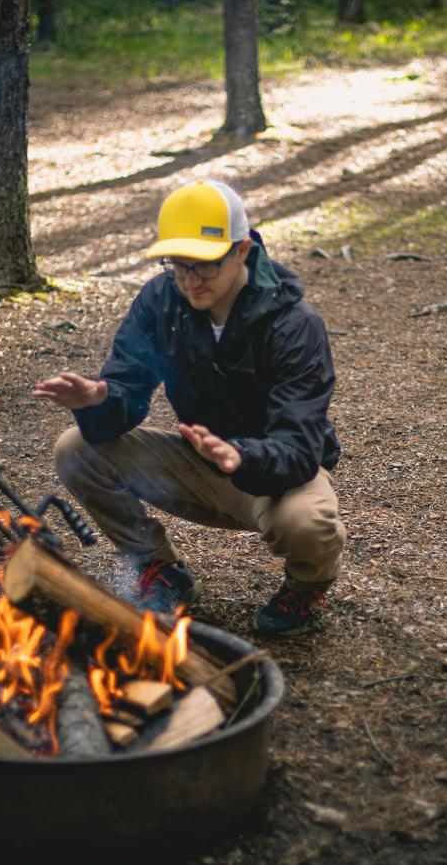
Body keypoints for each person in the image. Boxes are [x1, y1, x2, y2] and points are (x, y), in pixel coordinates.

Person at [33, 179, 345, 638]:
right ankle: (160, 569)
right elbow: (128, 386)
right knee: (76, 448)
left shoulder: (295, 325)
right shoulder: (162, 301)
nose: (189, 281)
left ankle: (306, 585)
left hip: (275, 475)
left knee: (308, 525)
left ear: (241, 250)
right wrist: (100, 399)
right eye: (177, 265)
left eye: (204, 266)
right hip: (196, 463)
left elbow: (300, 447)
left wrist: (241, 456)